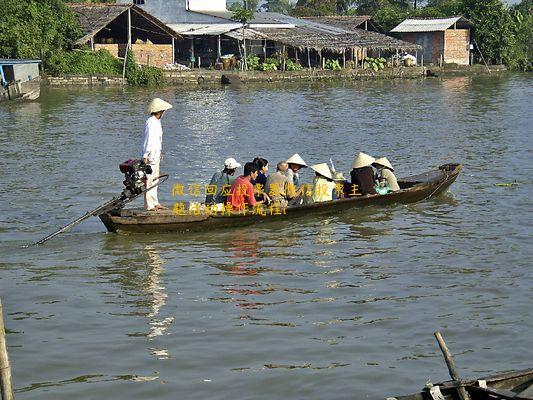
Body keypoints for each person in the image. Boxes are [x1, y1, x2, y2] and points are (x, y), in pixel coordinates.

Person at [141, 97, 173, 211]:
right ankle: (149, 205)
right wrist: (145, 156)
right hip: (149, 156)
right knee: (149, 180)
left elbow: (157, 140)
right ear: (160, 111)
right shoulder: (151, 123)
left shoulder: (157, 122)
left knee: (155, 179)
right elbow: (148, 140)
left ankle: (155, 202)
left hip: (155, 155)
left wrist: (159, 152)